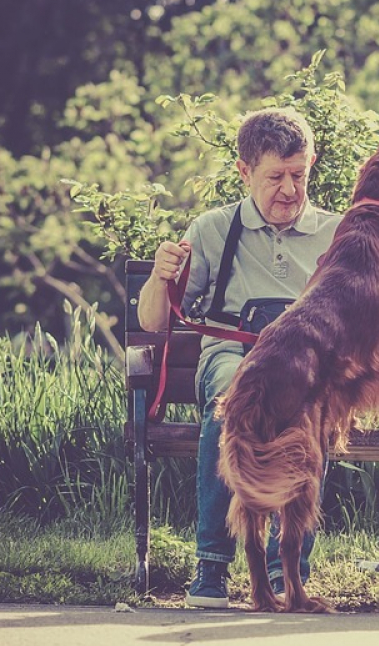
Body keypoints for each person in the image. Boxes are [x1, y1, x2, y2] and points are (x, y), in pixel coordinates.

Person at [137, 108, 343, 609]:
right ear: (244, 172)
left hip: (303, 364)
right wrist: (161, 276)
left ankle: (286, 568)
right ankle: (211, 566)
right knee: (232, 399)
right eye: (275, 177)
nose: (290, 190)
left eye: (300, 174)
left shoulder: (335, 231)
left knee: (309, 412)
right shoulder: (212, 228)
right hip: (234, 353)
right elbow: (150, 320)